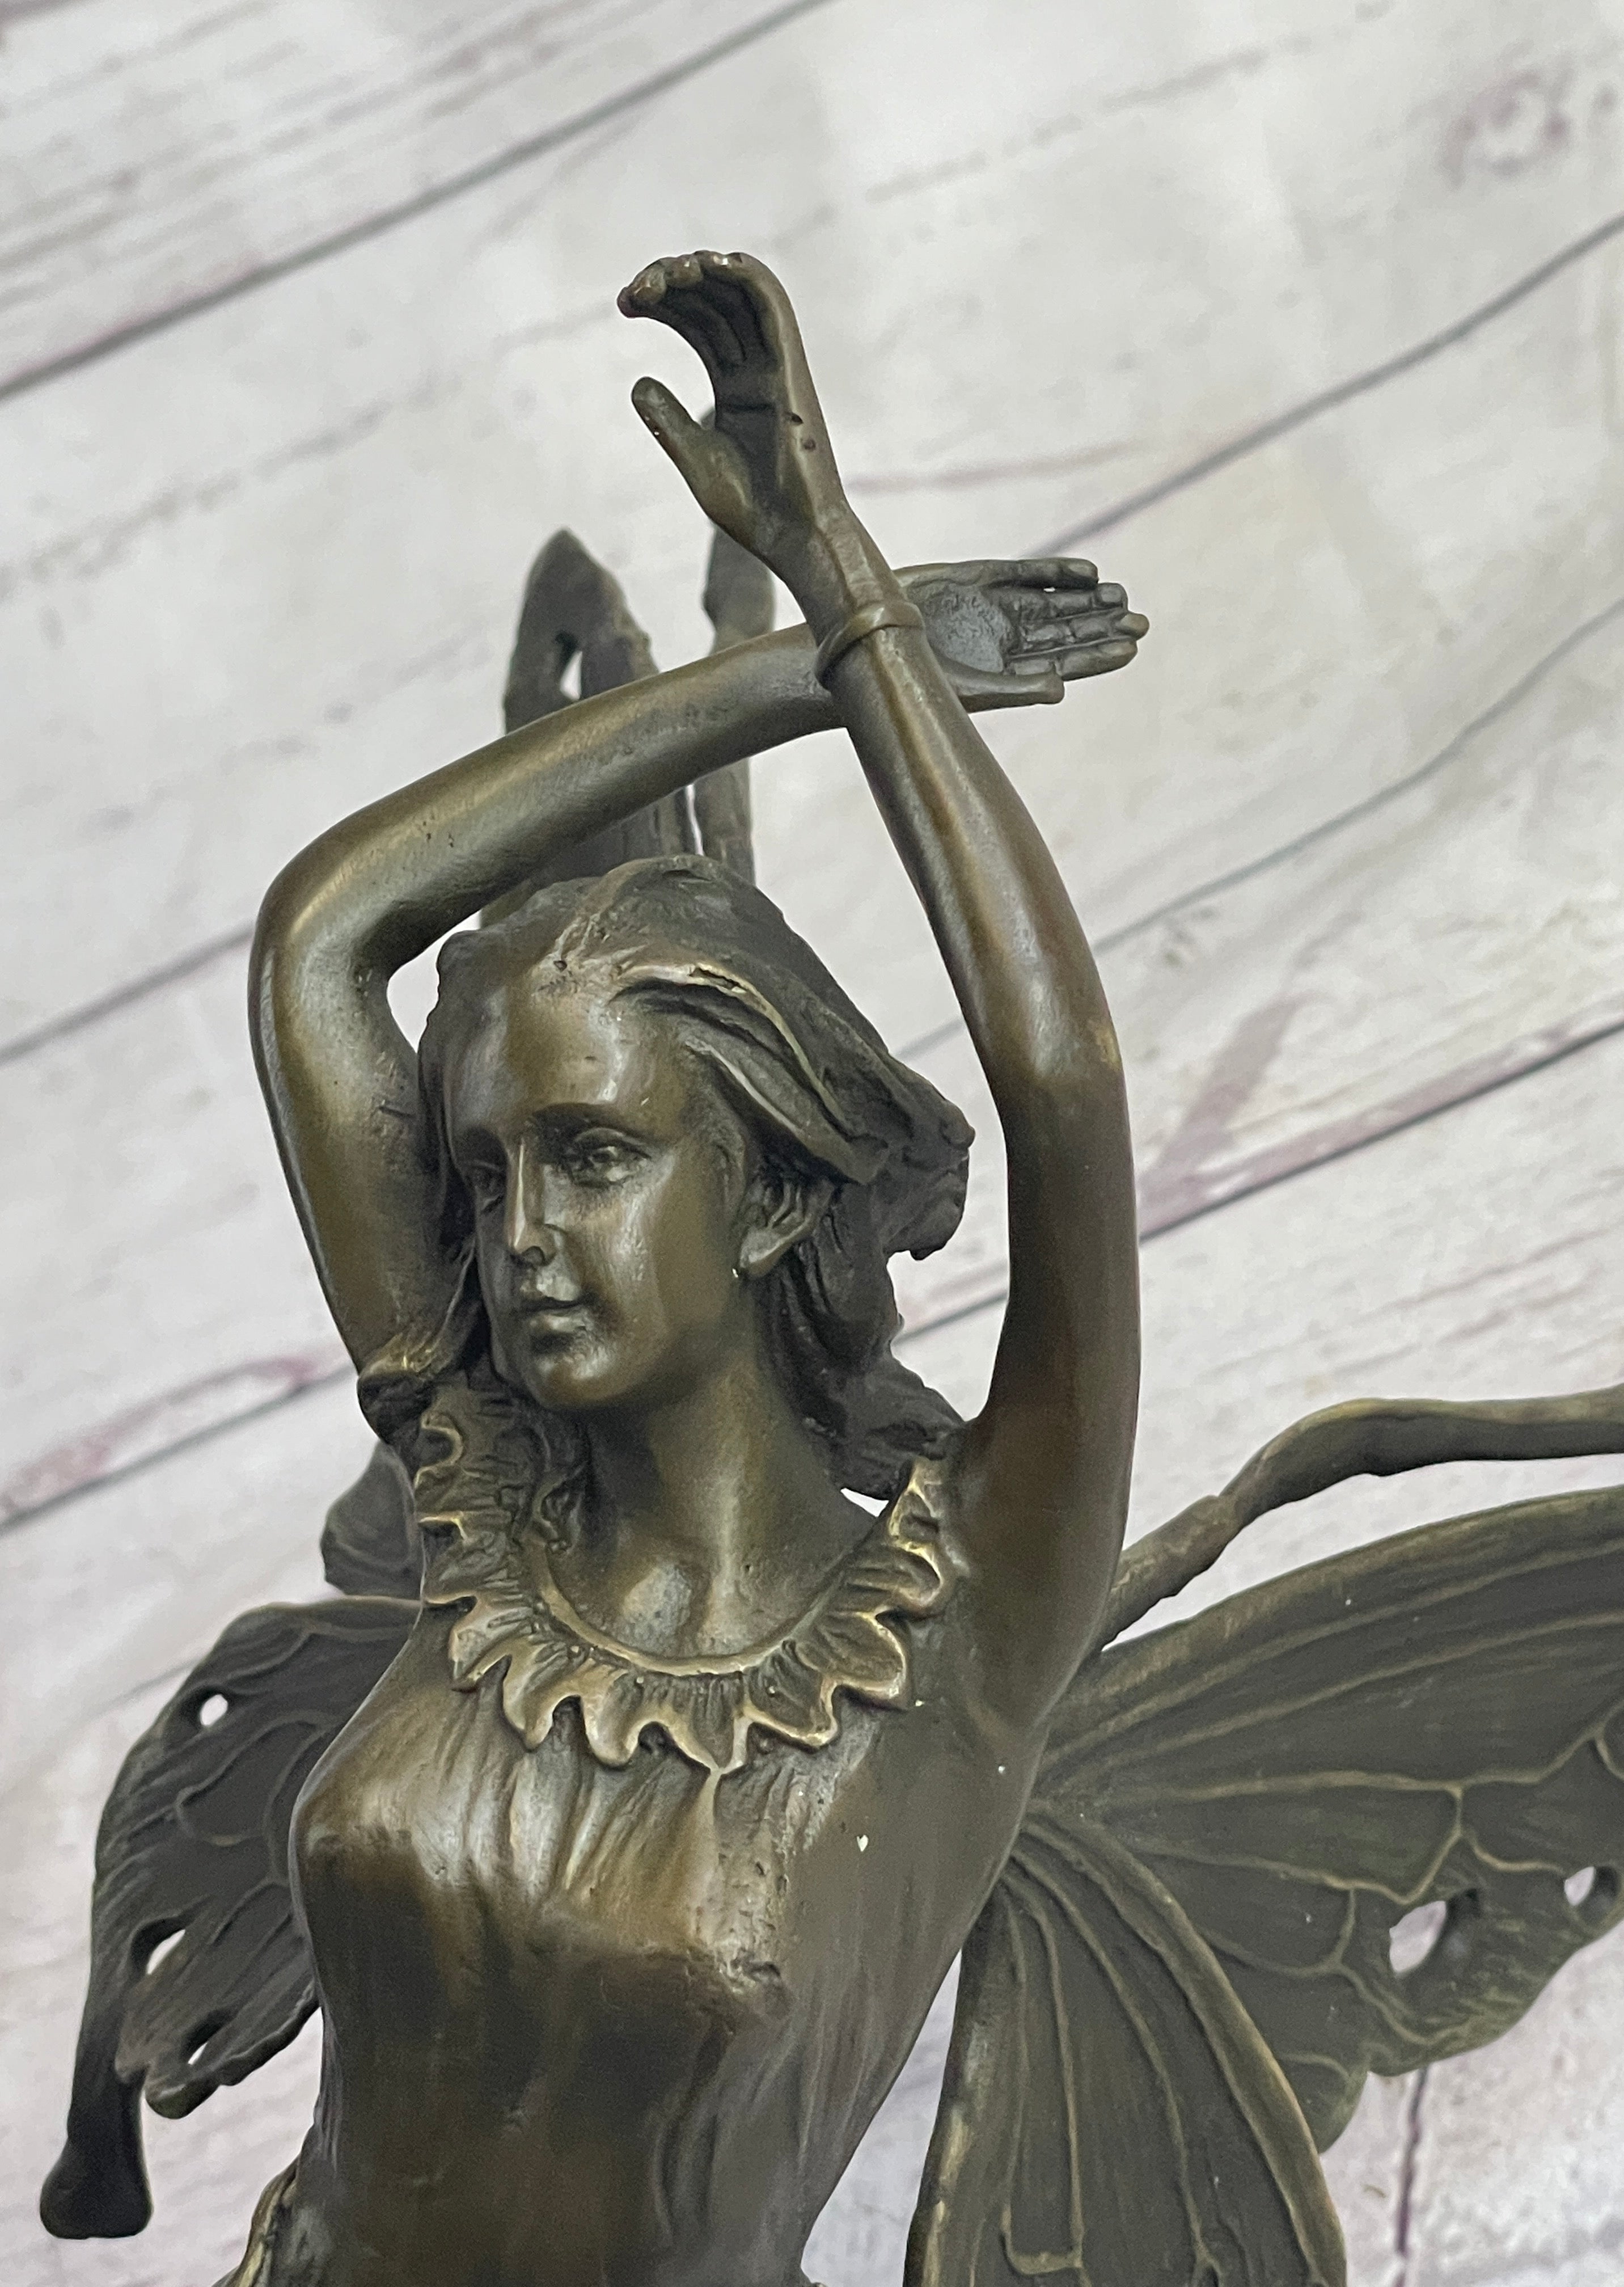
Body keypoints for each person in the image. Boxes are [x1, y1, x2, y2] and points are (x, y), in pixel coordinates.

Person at [237, 249, 1146, 2287]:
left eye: (592, 1158)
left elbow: (1065, 1083)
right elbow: (322, 939)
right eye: (488, 1174)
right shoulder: (480, 1489)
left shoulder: (966, 1616)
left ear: (763, 1196)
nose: (516, 1239)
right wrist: (782, 681)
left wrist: (861, 616)